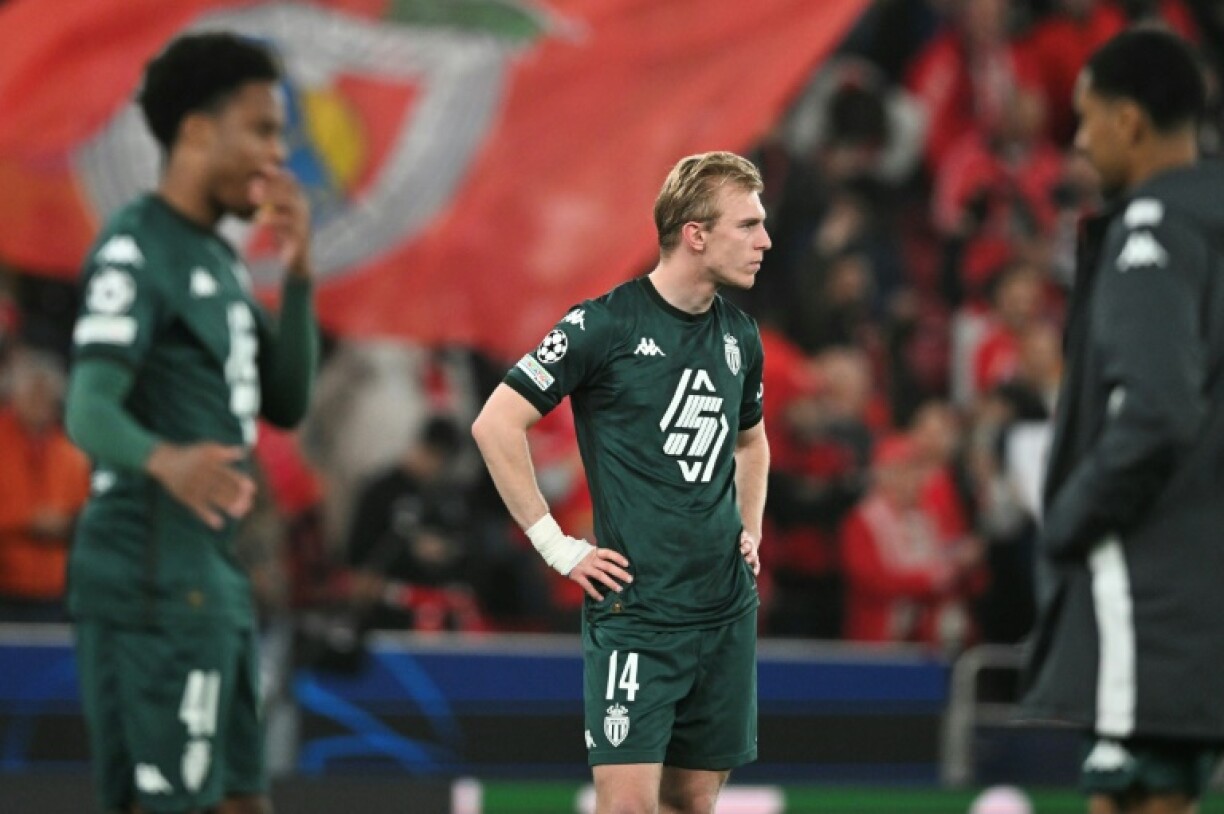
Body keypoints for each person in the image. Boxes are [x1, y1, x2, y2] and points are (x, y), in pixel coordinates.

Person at [63, 32, 318, 814]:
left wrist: (301, 269)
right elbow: (88, 407)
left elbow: (286, 401)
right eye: (264, 130)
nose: (280, 153)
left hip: (211, 574)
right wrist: (164, 460)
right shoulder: (137, 251)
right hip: (150, 568)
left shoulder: (220, 261)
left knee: (242, 800)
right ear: (199, 132)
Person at [472, 151, 771, 814]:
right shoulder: (603, 324)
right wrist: (557, 547)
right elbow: (496, 424)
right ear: (696, 234)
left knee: (692, 802)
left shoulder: (740, 338)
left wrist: (748, 529)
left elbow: (752, 441)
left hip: (723, 610)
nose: (764, 241)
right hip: (638, 613)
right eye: (747, 225)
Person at [1020, 29, 1224, 814]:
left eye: (1087, 117)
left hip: (1150, 574)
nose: (1078, 141)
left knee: (1140, 795)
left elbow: (1157, 409)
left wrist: (1071, 511)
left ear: (1130, 122)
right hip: (1199, 569)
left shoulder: (1154, 230)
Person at [0, 348, 90, 621]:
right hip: (6, 587)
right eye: (32, 393)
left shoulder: (71, 450)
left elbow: (87, 512)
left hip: (56, 591)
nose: (40, 401)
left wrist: (67, 525)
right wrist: (27, 521)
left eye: (46, 393)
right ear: (14, 395)